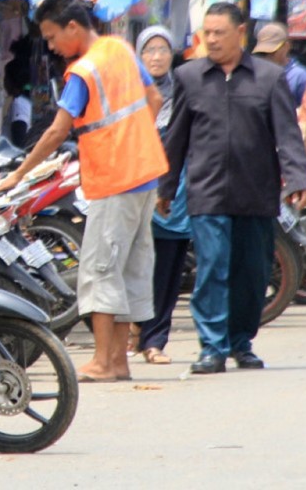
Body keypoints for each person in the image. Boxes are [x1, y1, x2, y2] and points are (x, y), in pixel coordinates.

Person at [0, 0, 168, 383]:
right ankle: (119, 362)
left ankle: (104, 362)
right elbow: (153, 98)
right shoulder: (121, 49)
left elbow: (58, 130)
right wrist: (135, 140)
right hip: (145, 175)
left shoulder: (83, 71)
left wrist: (19, 174)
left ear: (73, 27)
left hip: (113, 179)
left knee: (99, 270)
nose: (52, 46)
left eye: (52, 36)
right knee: (129, 269)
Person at [158, 2, 306, 375]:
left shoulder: (268, 78)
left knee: (252, 272)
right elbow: (176, 136)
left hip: (255, 192)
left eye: (219, 33)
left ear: (239, 33)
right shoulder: (189, 77)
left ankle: (241, 342)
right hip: (206, 192)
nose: (211, 39)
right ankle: (212, 347)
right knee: (212, 268)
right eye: (206, 33)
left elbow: (287, 135)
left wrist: (298, 179)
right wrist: (165, 186)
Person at [134, 25, 190, 365]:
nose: (156, 57)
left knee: (168, 270)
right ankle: (131, 333)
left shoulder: (184, 92)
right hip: (136, 188)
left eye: (162, 50)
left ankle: (154, 340)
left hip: (176, 191)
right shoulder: (129, 93)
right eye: (149, 50)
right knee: (135, 266)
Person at [252, 22, 306, 108]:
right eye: (263, 53)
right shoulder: (255, 73)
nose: (268, 56)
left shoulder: (299, 76)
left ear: (286, 47)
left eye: (272, 51)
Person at [2, 57, 32, 148]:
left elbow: (19, 137)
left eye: (6, 77)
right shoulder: (27, 100)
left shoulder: (19, 104)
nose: (4, 82)